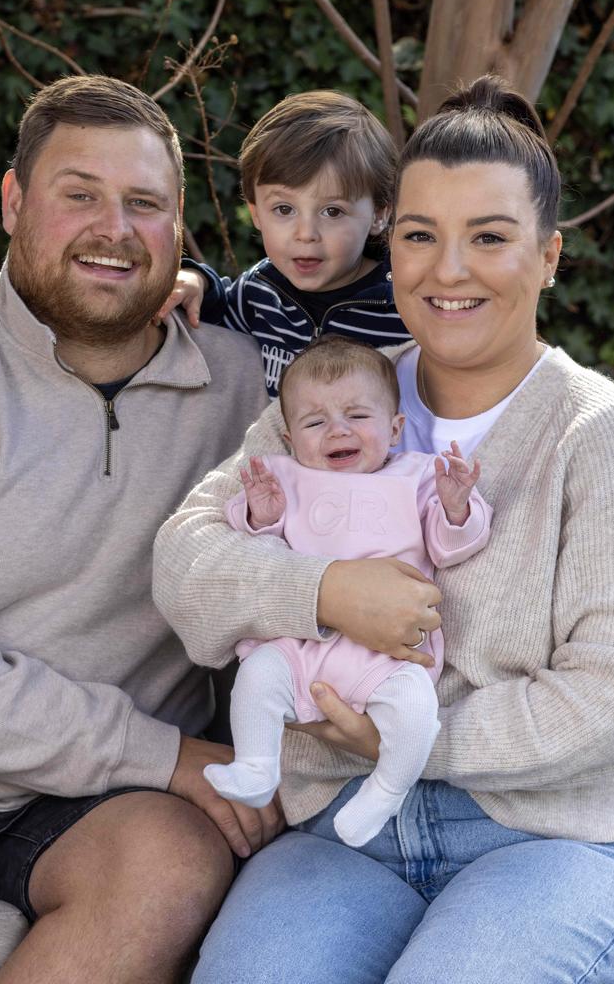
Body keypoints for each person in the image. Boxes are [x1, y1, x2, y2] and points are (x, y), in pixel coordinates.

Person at [153, 74, 614, 983]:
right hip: (342, 831)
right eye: (420, 235)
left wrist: (411, 740)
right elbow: (186, 561)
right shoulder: (340, 398)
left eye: (489, 238)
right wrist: (325, 591)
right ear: (391, 242)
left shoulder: (599, 434)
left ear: (550, 257)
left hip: (547, 835)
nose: (446, 270)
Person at [0, 74, 277, 984]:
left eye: (144, 204)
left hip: (96, 804)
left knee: (171, 864)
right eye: (79, 194)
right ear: (15, 202)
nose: (114, 228)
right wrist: (170, 757)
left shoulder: (245, 388)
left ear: (178, 230)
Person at [202, 336, 491, 848]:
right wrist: (260, 516)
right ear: (290, 438)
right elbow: (253, 548)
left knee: (416, 713)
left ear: (395, 429)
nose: (337, 430)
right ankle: (255, 764)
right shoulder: (284, 477)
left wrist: (455, 508)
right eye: (315, 423)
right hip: (302, 645)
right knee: (258, 675)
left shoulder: (418, 475)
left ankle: (385, 790)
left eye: (358, 416)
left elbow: (451, 550)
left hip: (388, 654)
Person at [157, 91, 411, 396]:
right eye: (284, 209)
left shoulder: (403, 310)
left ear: (379, 214)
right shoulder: (261, 292)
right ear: (256, 213)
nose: (305, 233)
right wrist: (198, 281)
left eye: (333, 211)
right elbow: (215, 308)